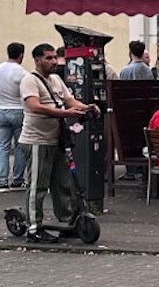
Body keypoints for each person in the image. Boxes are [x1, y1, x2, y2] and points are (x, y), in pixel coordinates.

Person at [19, 44, 100, 243]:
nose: (54, 61)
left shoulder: (55, 79)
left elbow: (69, 100)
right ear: (37, 60)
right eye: (48, 58)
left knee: (64, 183)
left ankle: (68, 221)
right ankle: (33, 228)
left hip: (57, 140)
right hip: (37, 140)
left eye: (55, 57)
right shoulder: (29, 80)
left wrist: (86, 107)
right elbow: (34, 106)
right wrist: (66, 113)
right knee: (38, 185)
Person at [0, 42, 28, 190]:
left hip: (1, 110)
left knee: (2, 146)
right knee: (20, 147)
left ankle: (2, 179)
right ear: (21, 55)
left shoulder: (0, 69)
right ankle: (18, 179)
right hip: (18, 110)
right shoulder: (23, 73)